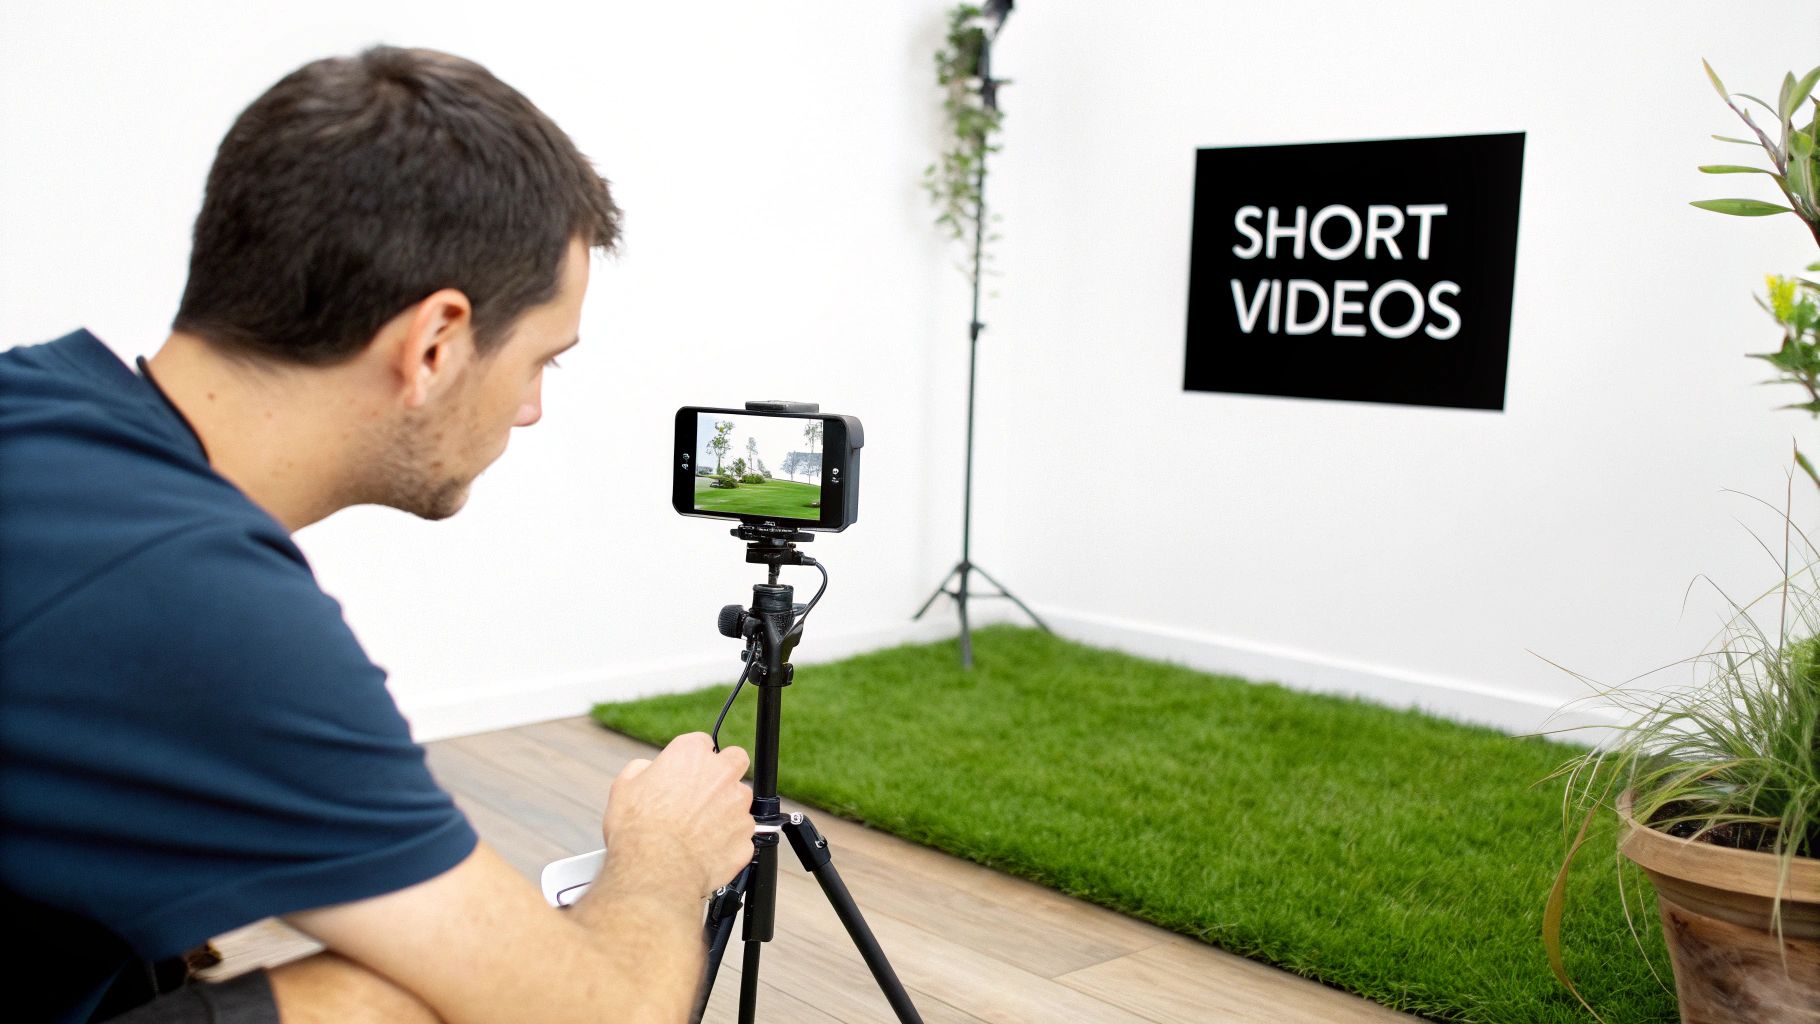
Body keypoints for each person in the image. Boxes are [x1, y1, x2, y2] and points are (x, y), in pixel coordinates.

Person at [0, 46, 755, 1024]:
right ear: (435, 343)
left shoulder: (36, 399)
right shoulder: (196, 596)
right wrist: (665, 858)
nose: (527, 409)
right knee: (389, 999)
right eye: (539, 361)